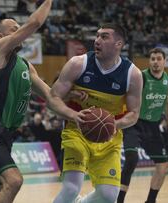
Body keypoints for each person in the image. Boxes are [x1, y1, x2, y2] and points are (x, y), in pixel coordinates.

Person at [0, 1, 82, 202]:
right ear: (2, 37)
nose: (20, 31)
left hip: (5, 135)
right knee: (14, 181)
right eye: (14, 29)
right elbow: (35, 22)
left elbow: (50, 95)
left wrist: (71, 104)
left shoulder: (26, 66)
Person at [51, 23, 143, 203]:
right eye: (97, 35)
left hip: (109, 138)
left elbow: (134, 114)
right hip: (76, 132)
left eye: (104, 36)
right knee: (70, 188)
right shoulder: (78, 63)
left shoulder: (133, 74)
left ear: (119, 44)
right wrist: (73, 115)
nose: (97, 40)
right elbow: (52, 98)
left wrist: (114, 125)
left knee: (109, 196)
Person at [117, 48, 168, 203]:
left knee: (163, 165)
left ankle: (150, 200)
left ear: (164, 61)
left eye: (159, 59)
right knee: (131, 159)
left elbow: (167, 102)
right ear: (149, 61)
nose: (155, 62)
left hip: (153, 127)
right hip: (134, 123)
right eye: (152, 59)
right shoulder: (141, 77)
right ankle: (119, 200)